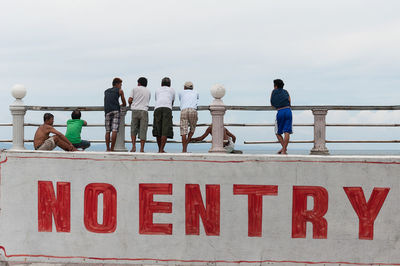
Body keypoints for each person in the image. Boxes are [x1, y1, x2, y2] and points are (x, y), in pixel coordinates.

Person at [152, 77, 175, 153]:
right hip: (167, 108)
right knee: (165, 130)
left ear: (161, 84)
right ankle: (162, 149)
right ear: (170, 84)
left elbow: (156, 99)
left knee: (158, 130)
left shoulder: (158, 90)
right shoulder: (172, 90)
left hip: (157, 108)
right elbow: (172, 102)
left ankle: (159, 149)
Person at [128, 77, 151, 152]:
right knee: (143, 130)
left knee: (133, 129)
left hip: (135, 110)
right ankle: (142, 148)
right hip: (144, 111)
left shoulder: (134, 89)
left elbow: (130, 99)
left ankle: (133, 147)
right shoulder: (148, 91)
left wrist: (130, 104)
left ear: (139, 83)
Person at [270, 79, 292, 155]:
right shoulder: (286, 92)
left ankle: (284, 149)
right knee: (287, 132)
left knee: (277, 132)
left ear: (275, 86)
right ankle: (283, 150)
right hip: (288, 111)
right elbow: (289, 101)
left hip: (280, 111)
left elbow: (272, 103)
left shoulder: (274, 92)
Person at [104, 77, 126, 151]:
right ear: (117, 84)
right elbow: (124, 103)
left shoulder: (106, 91)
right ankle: (112, 148)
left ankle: (107, 148)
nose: (121, 86)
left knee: (107, 131)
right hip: (116, 110)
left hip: (107, 111)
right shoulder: (120, 91)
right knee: (114, 130)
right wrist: (121, 104)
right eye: (120, 84)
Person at [179, 81, 199, 152]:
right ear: (192, 88)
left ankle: (184, 149)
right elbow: (197, 99)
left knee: (183, 131)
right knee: (192, 128)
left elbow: (181, 99)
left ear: (184, 87)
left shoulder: (181, 92)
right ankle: (186, 144)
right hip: (193, 110)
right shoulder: (196, 92)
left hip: (184, 110)